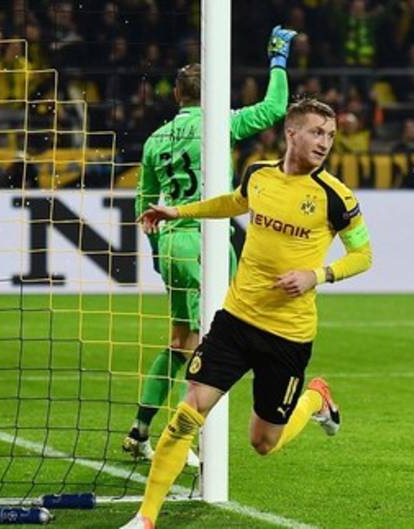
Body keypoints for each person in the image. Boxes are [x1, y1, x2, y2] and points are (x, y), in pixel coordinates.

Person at [121, 97, 373, 529]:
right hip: (236, 321)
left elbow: (363, 255)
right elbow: (232, 203)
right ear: (291, 133)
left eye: (330, 135)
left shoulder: (336, 197)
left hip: (288, 334)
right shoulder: (258, 175)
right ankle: (146, 518)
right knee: (187, 413)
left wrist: (318, 275)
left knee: (263, 442)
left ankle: (316, 398)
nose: (325, 142)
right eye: (316, 132)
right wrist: (176, 211)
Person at [123, 26, 298, 466]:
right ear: (213, 93)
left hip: (172, 243)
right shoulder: (222, 124)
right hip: (209, 240)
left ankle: (140, 429)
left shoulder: (156, 139)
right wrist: (278, 58)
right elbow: (276, 108)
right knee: (214, 346)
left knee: (182, 339)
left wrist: (158, 249)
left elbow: (144, 204)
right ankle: (187, 439)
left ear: (177, 95)